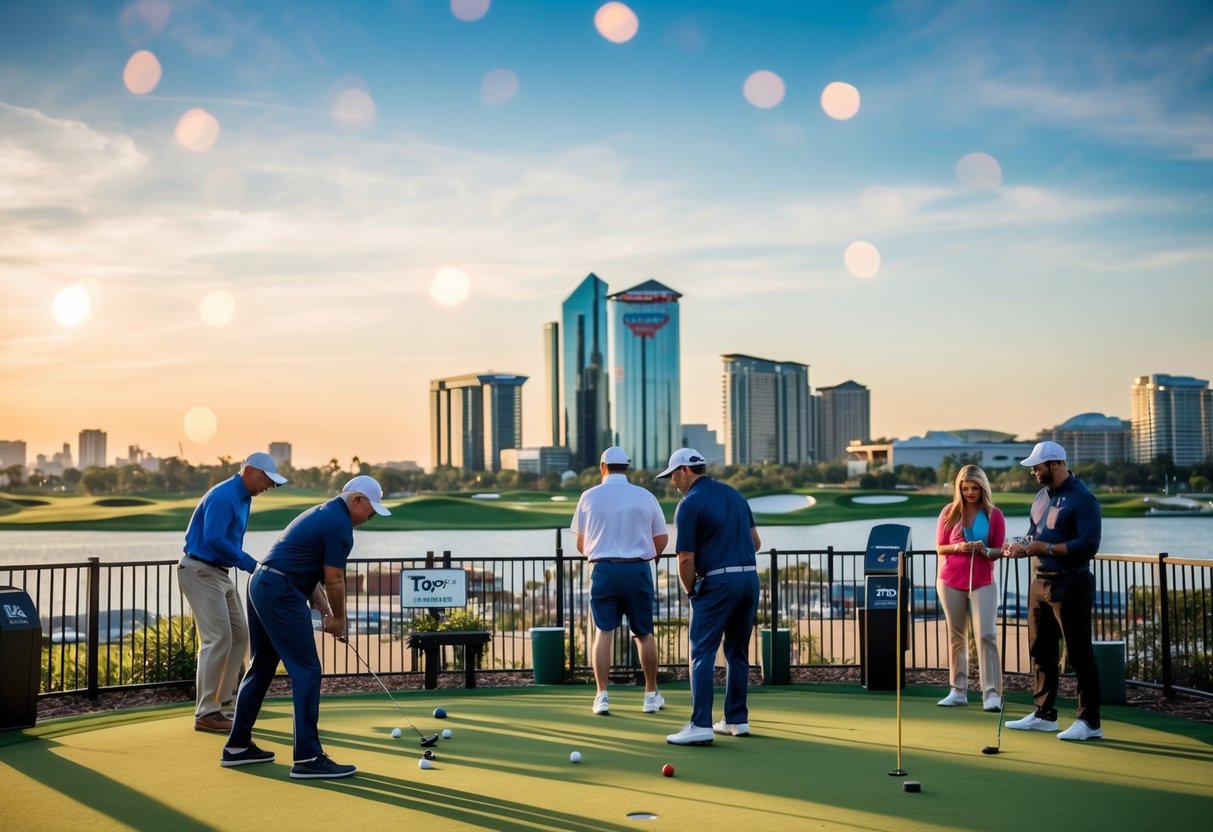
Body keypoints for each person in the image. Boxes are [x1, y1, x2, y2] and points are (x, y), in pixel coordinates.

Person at [220, 475, 391, 778]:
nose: (371, 516)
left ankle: (237, 746)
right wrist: (339, 619)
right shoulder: (340, 526)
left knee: (262, 665)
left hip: (263, 582)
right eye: (371, 509)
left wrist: (325, 610)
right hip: (280, 590)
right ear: (357, 500)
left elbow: (307, 573)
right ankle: (308, 758)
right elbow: (335, 580)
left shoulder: (323, 513)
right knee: (307, 669)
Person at [656, 448, 760, 745]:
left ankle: (700, 724)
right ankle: (736, 719)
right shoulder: (735, 495)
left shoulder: (689, 504)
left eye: (673, 475)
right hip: (749, 580)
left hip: (717, 584)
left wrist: (691, 591)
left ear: (685, 471)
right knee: (737, 652)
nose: (672, 482)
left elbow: (685, 558)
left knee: (701, 652)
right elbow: (756, 542)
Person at [1002, 441, 1104, 741]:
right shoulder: (1040, 496)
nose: (1033, 470)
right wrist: (1021, 549)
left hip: (1071, 582)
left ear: (1056, 465)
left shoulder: (1083, 499)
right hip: (1040, 583)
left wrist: (1044, 547)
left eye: (1038, 466)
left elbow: (1088, 546)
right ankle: (1044, 714)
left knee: (1079, 654)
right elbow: (1034, 534)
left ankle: (1090, 722)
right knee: (1040, 650)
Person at [179, 451, 287, 734]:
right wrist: (249, 563)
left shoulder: (243, 498)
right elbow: (214, 538)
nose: (268, 487)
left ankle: (225, 702)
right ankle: (206, 712)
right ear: (251, 471)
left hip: (219, 573)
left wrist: (241, 562)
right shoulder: (224, 496)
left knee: (239, 635)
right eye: (267, 480)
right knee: (217, 639)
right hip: (200, 570)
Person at [570, 446, 669, 716]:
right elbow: (661, 539)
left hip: (603, 570)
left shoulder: (588, 497)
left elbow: (581, 544)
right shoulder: (645, 496)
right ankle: (650, 694)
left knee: (603, 632)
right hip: (637, 570)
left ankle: (601, 696)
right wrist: (646, 555)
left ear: (603, 467)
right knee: (644, 633)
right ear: (627, 467)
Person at [934, 464, 1006, 711]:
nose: (970, 492)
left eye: (975, 487)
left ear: (983, 487)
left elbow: (1000, 550)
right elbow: (940, 547)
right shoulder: (949, 512)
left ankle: (992, 694)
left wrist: (986, 551)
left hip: (983, 582)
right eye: (965, 488)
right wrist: (959, 548)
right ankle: (958, 691)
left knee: (987, 635)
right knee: (957, 636)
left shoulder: (994, 514)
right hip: (950, 582)